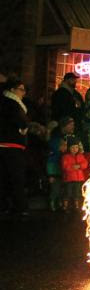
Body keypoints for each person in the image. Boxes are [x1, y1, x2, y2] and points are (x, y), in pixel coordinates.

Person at [0, 78, 31, 216]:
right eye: (21, 89)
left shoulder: (6, 102)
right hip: (13, 145)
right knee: (16, 177)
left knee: (4, 176)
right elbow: (21, 122)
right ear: (12, 90)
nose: (23, 93)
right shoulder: (13, 104)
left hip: (4, 144)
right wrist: (25, 127)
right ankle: (20, 206)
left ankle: (5, 205)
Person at [46, 117, 72, 211]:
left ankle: (60, 204)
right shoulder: (53, 157)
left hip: (62, 175)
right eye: (63, 145)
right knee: (55, 189)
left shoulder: (64, 156)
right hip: (55, 175)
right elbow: (50, 165)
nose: (65, 147)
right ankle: (52, 203)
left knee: (61, 190)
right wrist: (51, 175)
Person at [60, 137, 87, 212]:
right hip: (69, 179)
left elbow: (85, 164)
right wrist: (73, 167)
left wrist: (79, 166)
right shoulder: (65, 157)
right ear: (69, 148)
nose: (75, 149)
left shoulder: (80, 156)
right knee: (67, 193)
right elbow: (65, 166)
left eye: (76, 147)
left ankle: (77, 206)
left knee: (77, 193)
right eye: (73, 147)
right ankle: (65, 206)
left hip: (79, 179)